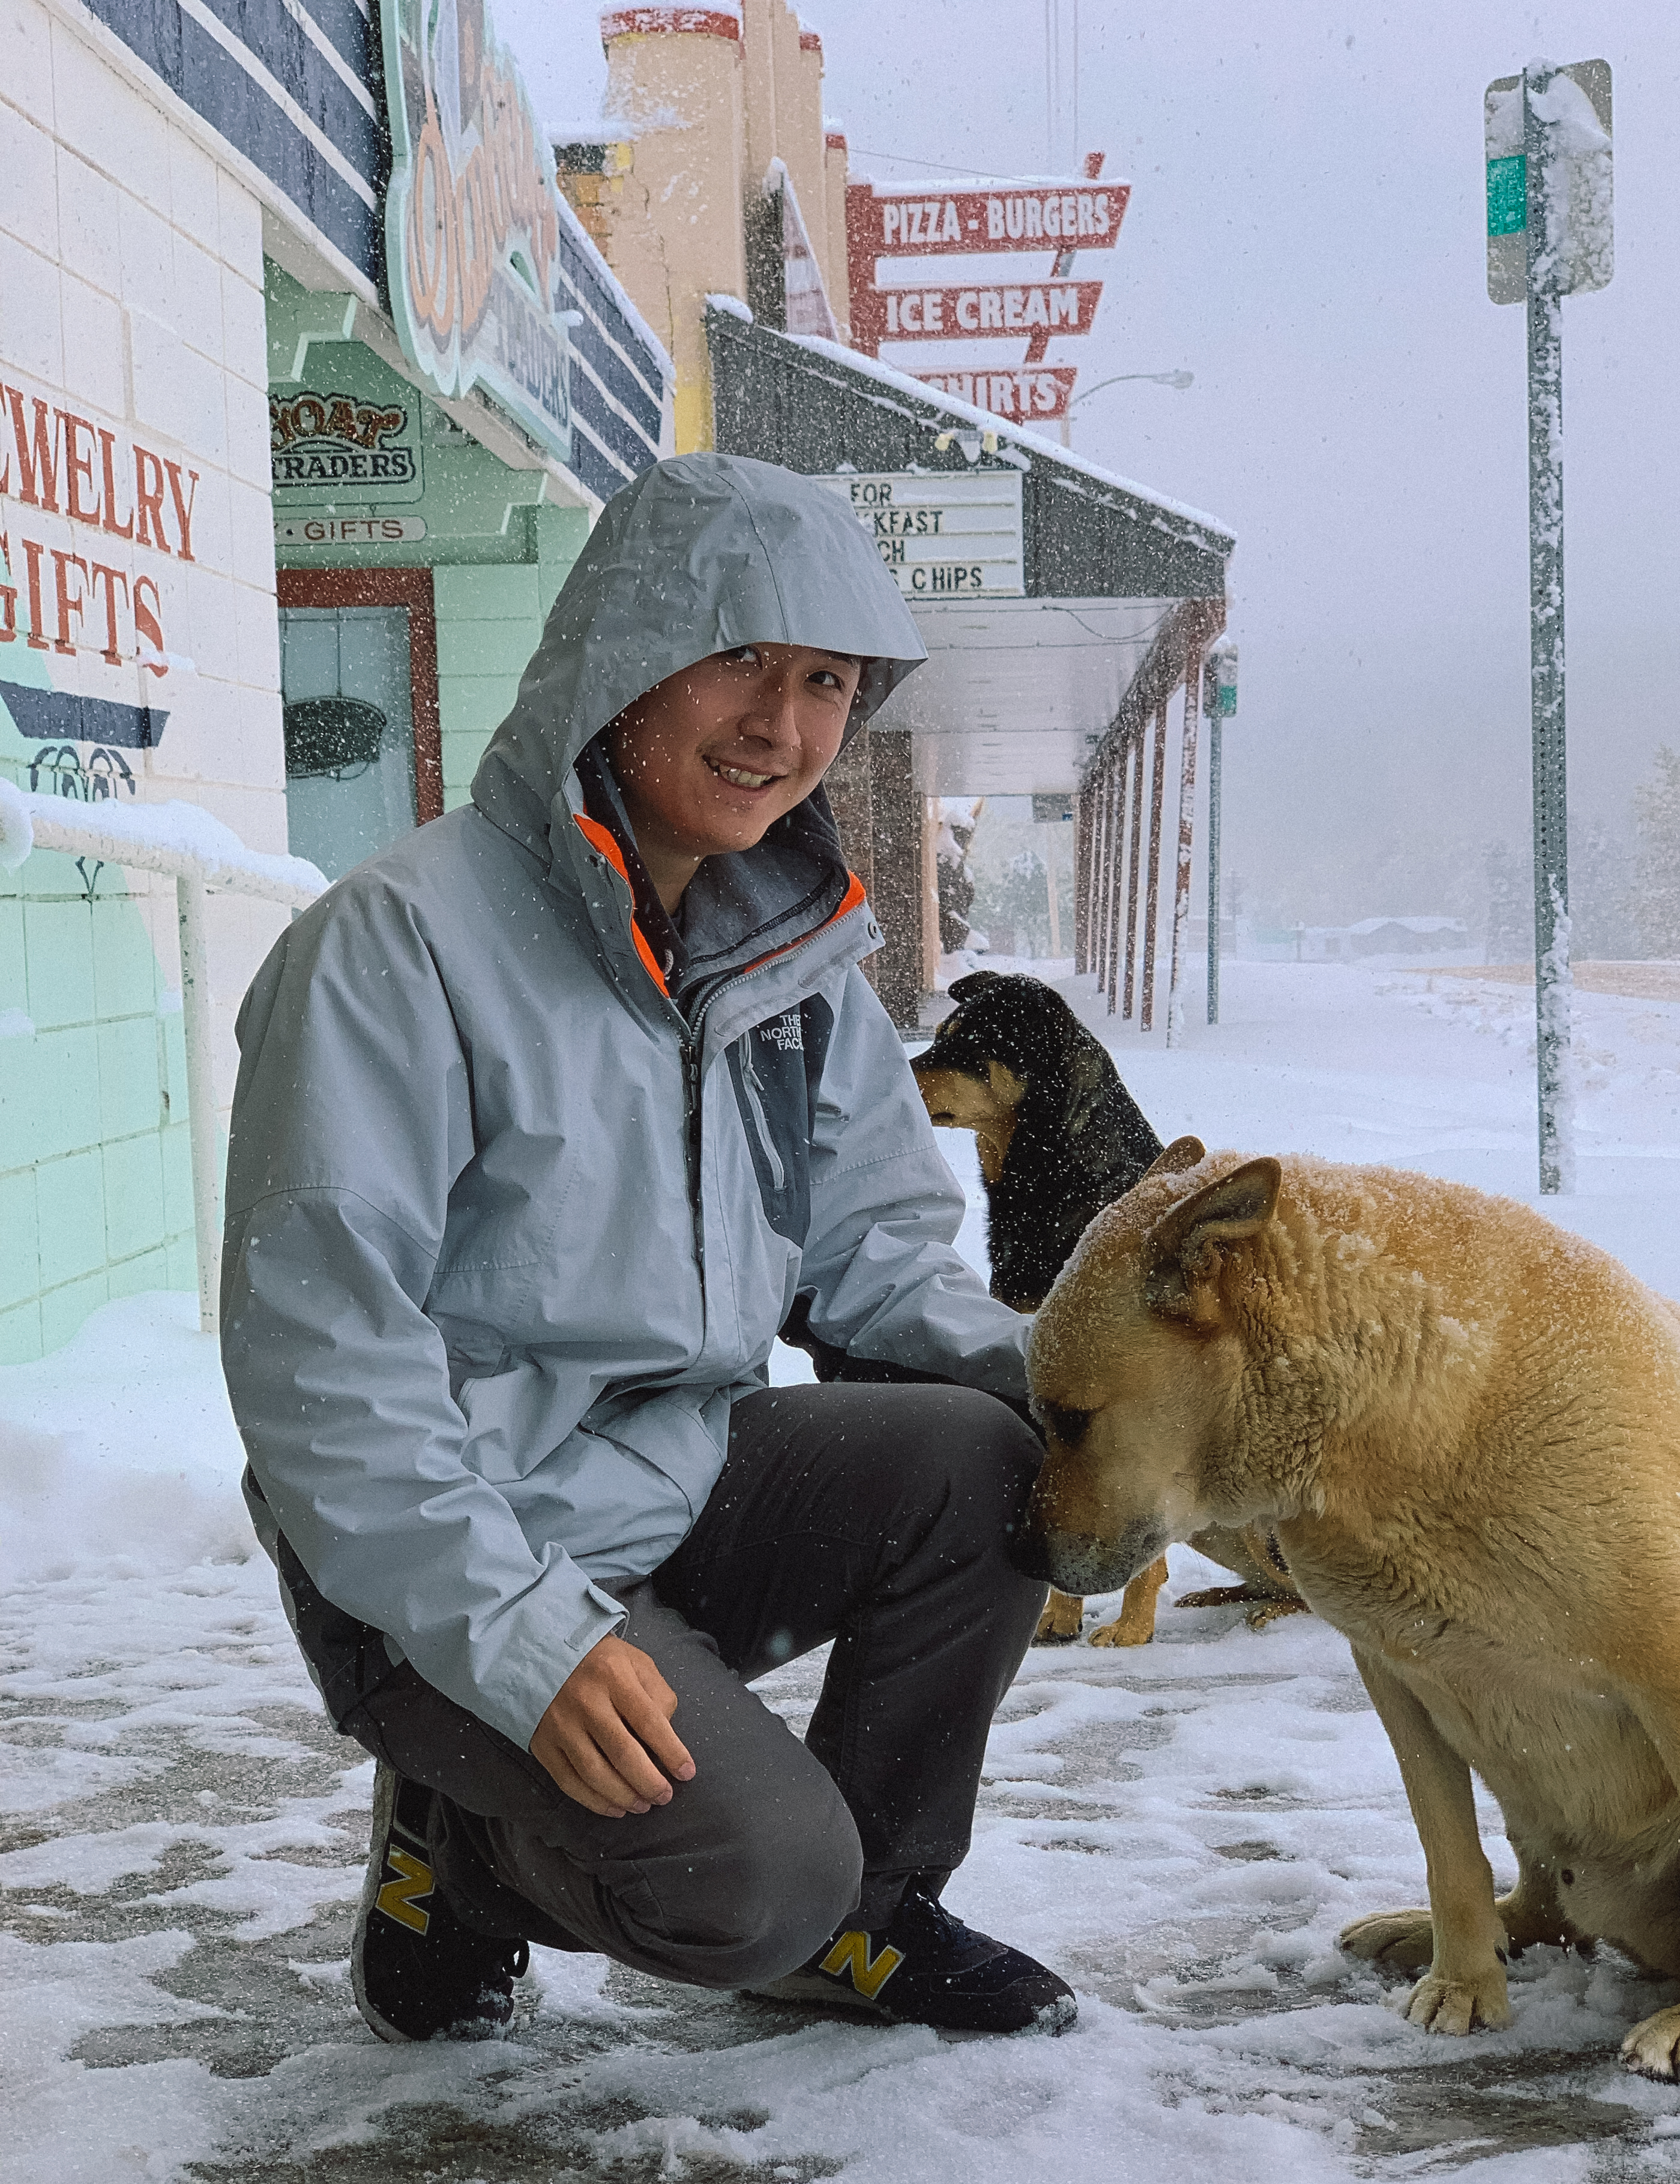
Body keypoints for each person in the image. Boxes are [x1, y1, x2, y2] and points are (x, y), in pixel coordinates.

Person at [222, 453, 1075, 2044]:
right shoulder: (397, 947)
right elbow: (323, 1367)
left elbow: (882, 1262)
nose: (781, 723)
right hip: (439, 1551)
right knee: (746, 1877)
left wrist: (1106, 1410)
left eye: (826, 679)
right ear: (622, 657)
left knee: (992, 1457)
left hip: (674, 1480)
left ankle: (861, 1920)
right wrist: (526, 1641)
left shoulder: (788, 957)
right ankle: (465, 1843)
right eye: (737, 656)